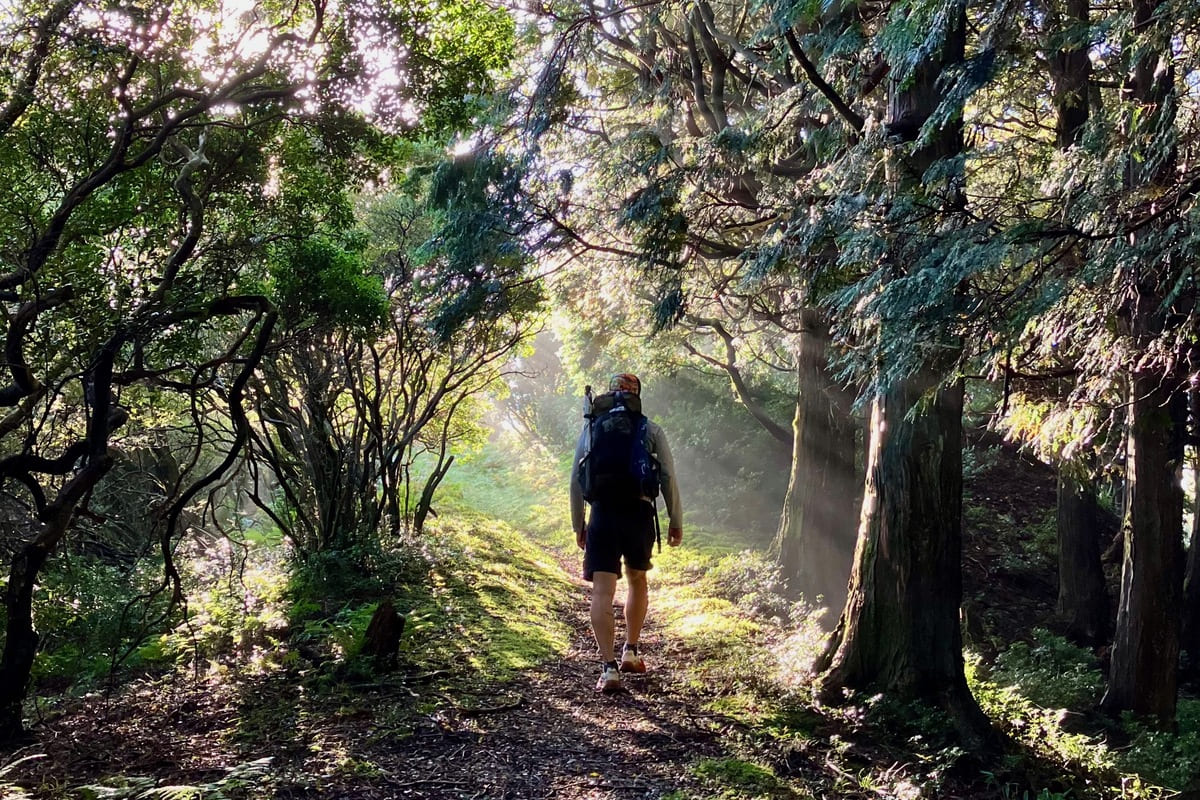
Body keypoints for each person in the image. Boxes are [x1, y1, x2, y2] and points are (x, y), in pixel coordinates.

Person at [570, 372, 683, 693]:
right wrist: (676, 519)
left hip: (603, 513)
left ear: (608, 394)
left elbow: (576, 478)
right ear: (637, 395)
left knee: (602, 591)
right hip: (639, 511)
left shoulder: (591, 427)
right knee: (637, 580)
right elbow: (668, 475)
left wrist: (579, 523)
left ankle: (608, 669)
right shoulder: (650, 428)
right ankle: (631, 651)